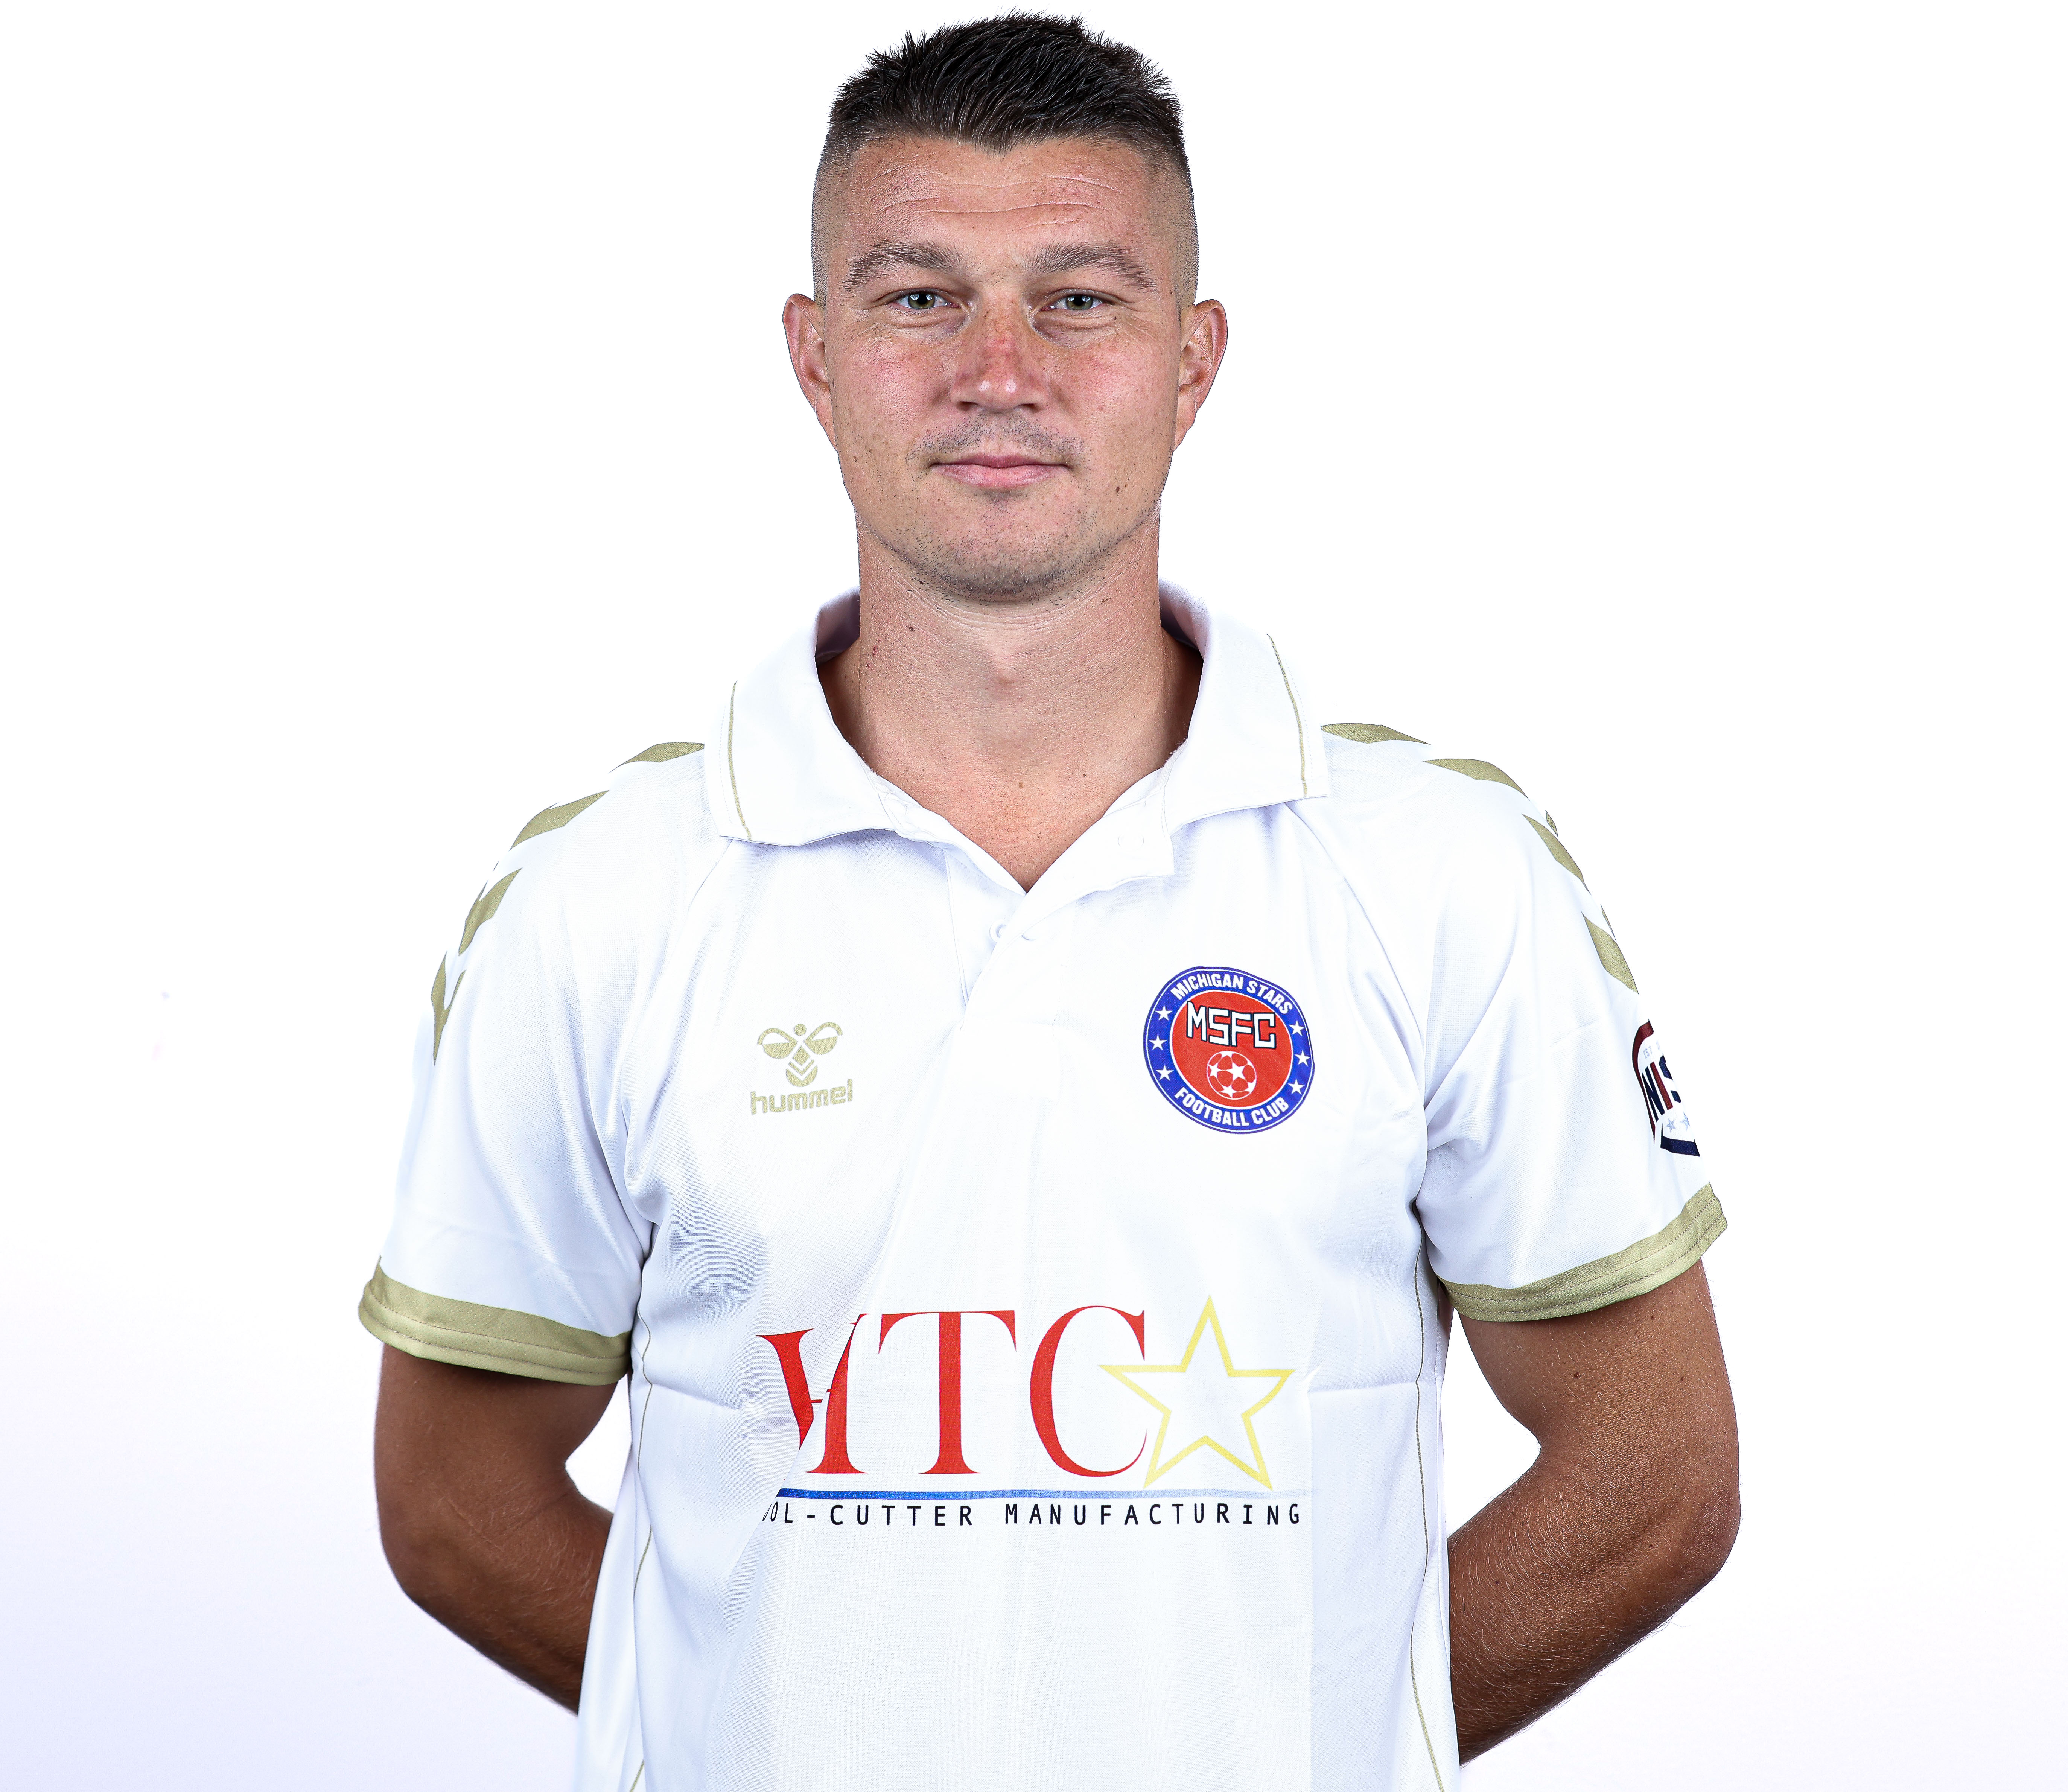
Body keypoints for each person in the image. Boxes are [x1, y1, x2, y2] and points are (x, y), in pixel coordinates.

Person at [361, 16, 1738, 1789]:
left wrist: (1309, 1749)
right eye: (918, 298)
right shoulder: (603, 898)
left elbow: (1654, 1480)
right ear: (814, 357)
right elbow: (452, 1493)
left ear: (1192, 360)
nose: (996, 370)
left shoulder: (1438, 874)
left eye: (1079, 301)